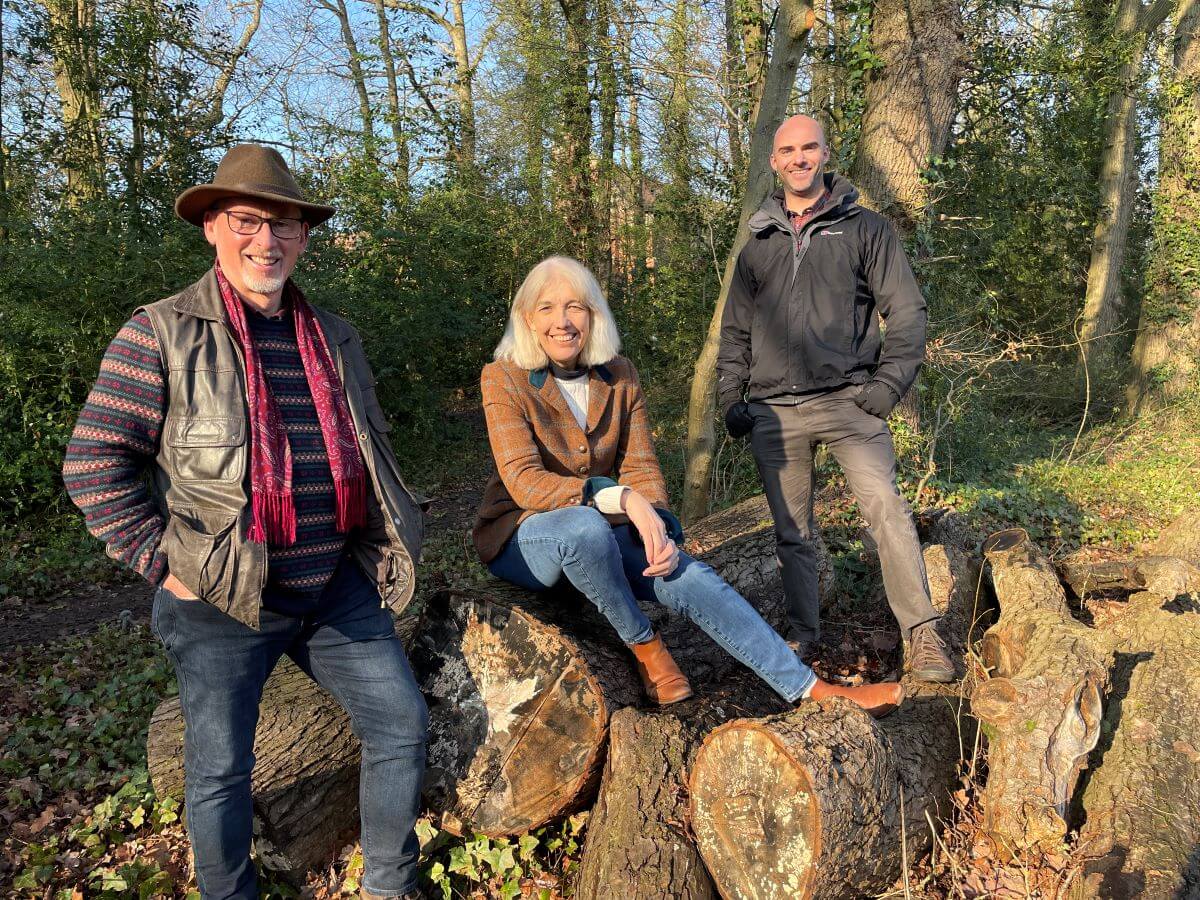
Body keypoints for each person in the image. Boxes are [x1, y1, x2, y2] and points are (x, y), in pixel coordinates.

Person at [62, 145, 428, 900]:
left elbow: (368, 446)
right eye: (248, 220)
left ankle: (389, 885)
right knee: (220, 770)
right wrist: (165, 567)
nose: (268, 240)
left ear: (303, 237)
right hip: (223, 598)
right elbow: (93, 463)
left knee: (402, 726)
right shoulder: (160, 333)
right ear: (212, 228)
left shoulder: (335, 335)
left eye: (286, 225)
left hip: (333, 589)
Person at [471, 255, 904, 718]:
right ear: (527, 319)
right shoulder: (503, 377)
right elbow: (524, 481)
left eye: (575, 306)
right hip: (526, 536)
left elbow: (640, 465)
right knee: (582, 528)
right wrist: (622, 498)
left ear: (593, 315)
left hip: (599, 532)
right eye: (546, 308)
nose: (562, 321)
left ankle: (809, 689)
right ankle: (647, 648)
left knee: (688, 573)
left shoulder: (619, 374)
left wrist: (656, 524)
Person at [716, 114, 955, 682]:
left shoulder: (865, 229)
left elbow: (908, 312)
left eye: (809, 148)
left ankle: (922, 636)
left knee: (886, 510)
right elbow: (735, 332)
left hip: (851, 402)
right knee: (792, 533)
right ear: (774, 162)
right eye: (787, 151)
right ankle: (802, 637)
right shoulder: (757, 244)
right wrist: (732, 396)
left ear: (824, 154)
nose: (799, 158)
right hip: (774, 412)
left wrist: (887, 387)